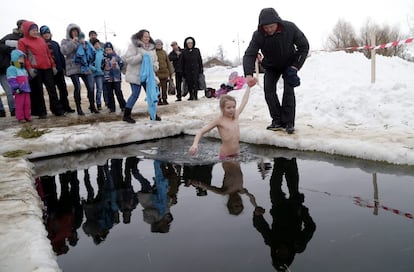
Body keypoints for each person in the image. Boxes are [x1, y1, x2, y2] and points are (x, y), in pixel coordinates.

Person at [243, 7, 309, 134]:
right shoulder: (258, 35)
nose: (269, 30)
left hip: (289, 64)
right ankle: (277, 120)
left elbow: (304, 46)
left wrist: (295, 66)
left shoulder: (290, 28)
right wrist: (248, 74)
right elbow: (249, 54)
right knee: (268, 91)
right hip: (271, 65)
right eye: (266, 28)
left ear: (277, 23)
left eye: (271, 27)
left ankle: (289, 122)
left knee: (288, 91)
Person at [252, 157, 316, 271]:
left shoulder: (272, 241)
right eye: (284, 255)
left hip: (278, 207)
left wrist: (257, 215)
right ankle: (290, 161)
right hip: (295, 209)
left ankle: (279, 161)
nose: (281, 251)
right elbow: (311, 227)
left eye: (278, 254)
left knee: (274, 186)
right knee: (293, 185)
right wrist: (303, 213)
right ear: (289, 255)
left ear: (275, 253)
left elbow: (261, 226)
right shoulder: (298, 245)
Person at [18, 21, 65, 118]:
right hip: (35, 69)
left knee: (52, 89)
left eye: (36, 30)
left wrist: (53, 65)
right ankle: (41, 112)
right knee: (38, 91)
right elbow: (23, 56)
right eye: (33, 30)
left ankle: (57, 110)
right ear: (27, 31)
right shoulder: (22, 41)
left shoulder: (41, 40)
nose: (35, 32)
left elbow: (48, 54)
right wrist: (29, 69)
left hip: (47, 68)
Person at [189, 86, 251, 159]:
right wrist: (195, 145)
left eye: (234, 107)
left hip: (236, 154)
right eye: (228, 108)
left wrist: (249, 87)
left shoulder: (236, 116)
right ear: (222, 108)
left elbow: (244, 101)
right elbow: (201, 132)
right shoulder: (219, 120)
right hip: (226, 156)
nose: (232, 110)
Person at [122, 29, 160, 123]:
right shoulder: (134, 46)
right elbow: (129, 59)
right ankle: (126, 115)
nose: (147, 38)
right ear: (140, 37)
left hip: (148, 76)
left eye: (148, 36)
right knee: (135, 94)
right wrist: (140, 57)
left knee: (151, 95)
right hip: (135, 75)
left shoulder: (151, 48)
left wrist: (155, 66)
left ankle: (153, 114)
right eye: (145, 36)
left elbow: (155, 60)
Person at [60, 24, 98, 115]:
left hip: (84, 67)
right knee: (77, 87)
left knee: (91, 87)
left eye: (76, 31)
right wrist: (73, 42)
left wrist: (84, 45)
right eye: (73, 31)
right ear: (69, 33)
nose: (75, 33)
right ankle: (79, 108)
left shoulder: (83, 41)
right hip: (73, 68)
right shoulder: (65, 41)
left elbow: (90, 53)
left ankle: (92, 106)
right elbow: (64, 51)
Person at [39, 25, 75, 113]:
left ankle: (65, 106)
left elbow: (61, 56)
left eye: (48, 33)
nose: (47, 35)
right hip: (48, 71)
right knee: (52, 91)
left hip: (59, 70)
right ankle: (56, 109)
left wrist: (64, 67)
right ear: (41, 35)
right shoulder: (41, 44)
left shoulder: (55, 43)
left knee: (63, 89)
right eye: (44, 33)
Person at [0, 19, 24, 117]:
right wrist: (8, 49)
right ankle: (1, 111)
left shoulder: (25, 38)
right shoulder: (9, 37)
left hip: (6, 68)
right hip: (4, 66)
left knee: (9, 91)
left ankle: (13, 109)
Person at [6, 49, 31, 123]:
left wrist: (31, 77)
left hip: (26, 89)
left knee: (27, 103)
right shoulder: (11, 69)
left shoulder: (23, 69)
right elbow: (11, 79)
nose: (22, 60)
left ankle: (27, 116)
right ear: (15, 58)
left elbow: (26, 78)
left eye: (23, 58)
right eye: (20, 58)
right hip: (19, 90)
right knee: (20, 104)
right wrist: (16, 87)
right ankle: (20, 117)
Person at [102, 41, 126, 113]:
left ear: (112, 50)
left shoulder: (117, 57)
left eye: (110, 49)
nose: (108, 51)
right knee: (110, 93)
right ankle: (112, 108)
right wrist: (104, 66)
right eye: (107, 50)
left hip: (116, 78)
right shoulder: (104, 59)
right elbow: (101, 67)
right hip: (108, 79)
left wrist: (117, 70)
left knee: (118, 92)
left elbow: (122, 64)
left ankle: (123, 106)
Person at [154, 39, 173, 105]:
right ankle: (159, 100)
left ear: (162, 45)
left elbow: (168, 63)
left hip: (165, 73)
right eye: (157, 44)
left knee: (164, 87)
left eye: (160, 44)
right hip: (157, 73)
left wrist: (170, 72)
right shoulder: (153, 53)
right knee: (157, 88)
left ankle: (165, 99)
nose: (159, 45)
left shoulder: (164, 52)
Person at [90, 38, 105, 110]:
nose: (97, 45)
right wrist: (94, 68)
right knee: (95, 89)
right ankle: (95, 104)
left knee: (102, 89)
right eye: (95, 44)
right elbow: (88, 63)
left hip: (102, 74)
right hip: (94, 74)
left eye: (98, 44)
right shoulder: (92, 53)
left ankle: (103, 103)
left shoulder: (103, 52)